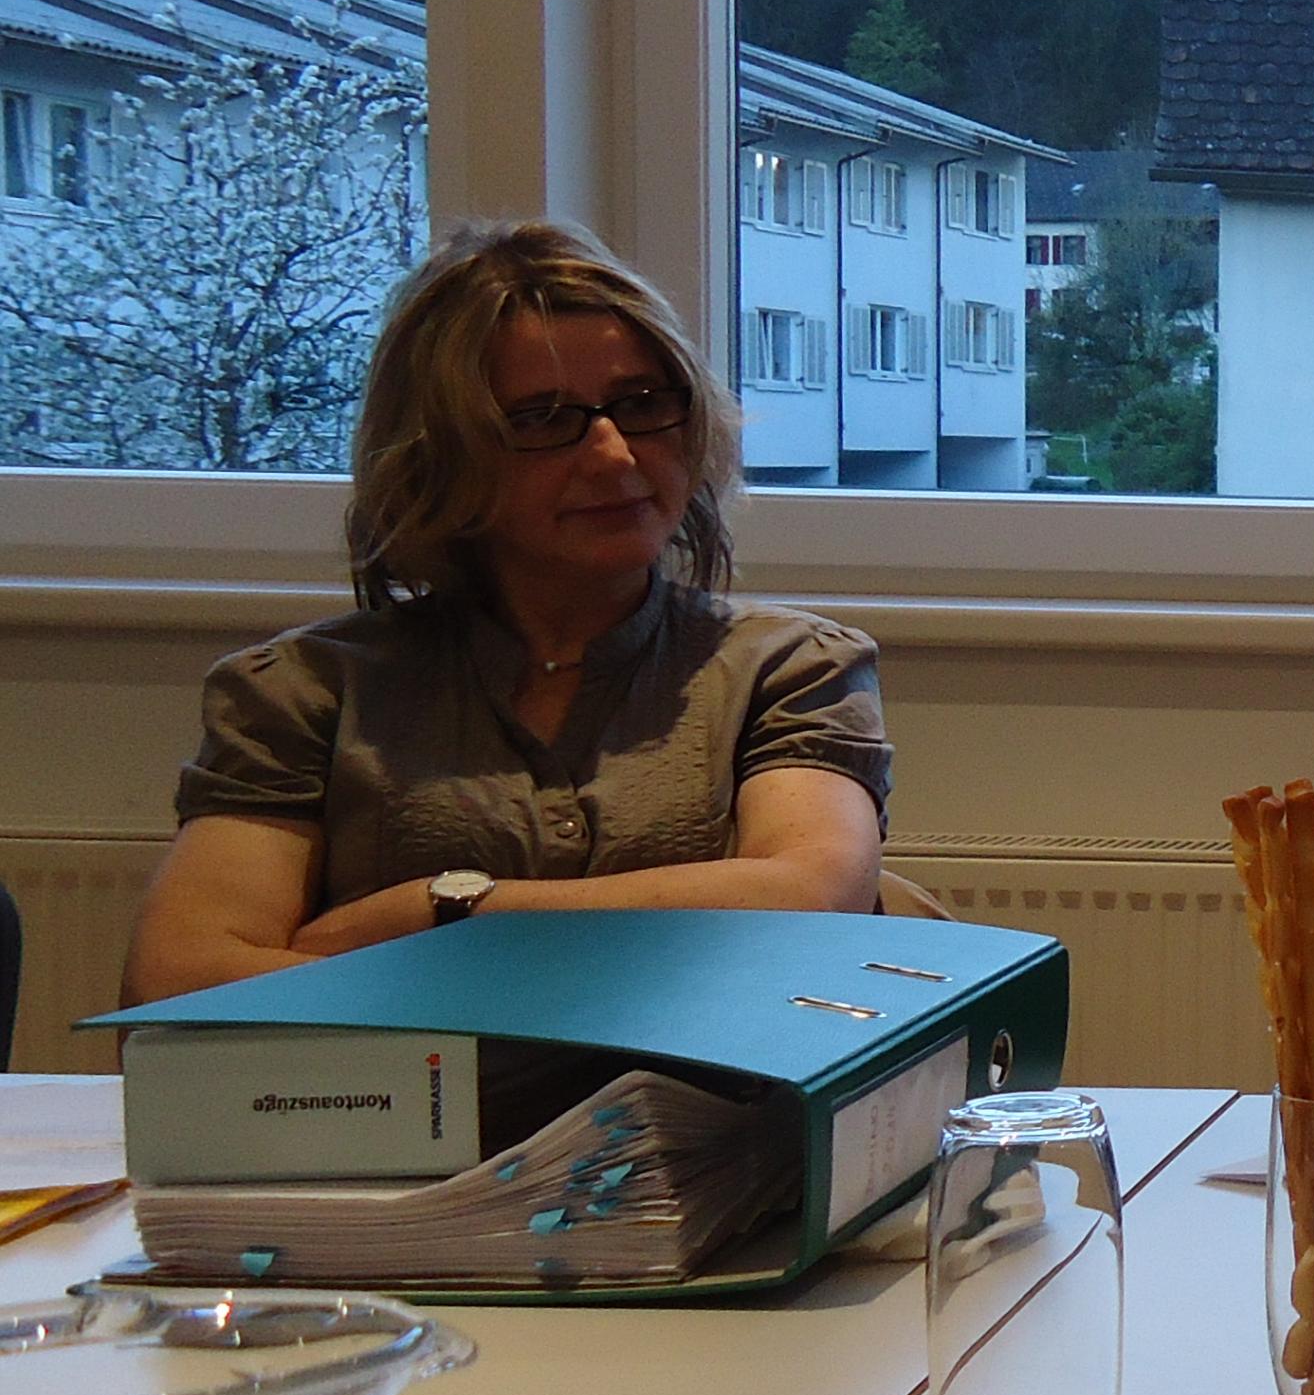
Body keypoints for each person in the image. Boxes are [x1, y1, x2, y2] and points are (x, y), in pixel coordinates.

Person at [125, 221, 890, 999]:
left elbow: (810, 898)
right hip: (400, 1082)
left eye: (642, 403)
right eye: (542, 419)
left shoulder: (788, 668)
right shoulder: (304, 692)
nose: (615, 455)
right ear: (440, 452)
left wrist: (438, 912)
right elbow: (180, 981)